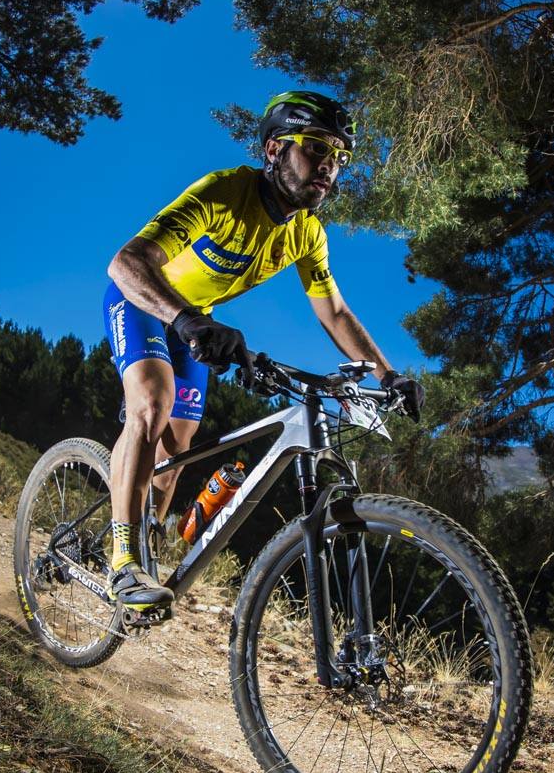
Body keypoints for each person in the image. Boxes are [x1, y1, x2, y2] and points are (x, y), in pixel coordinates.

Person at [103, 90, 425, 608]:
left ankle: (148, 534)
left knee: (177, 449)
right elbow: (126, 263)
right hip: (144, 300)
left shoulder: (306, 234)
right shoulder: (224, 192)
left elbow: (335, 314)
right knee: (152, 403)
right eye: (317, 148)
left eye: (340, 157)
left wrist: (389, 375)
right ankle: (122, 561)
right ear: (274, 149)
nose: (330, 166)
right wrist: (184, 319)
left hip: (195, 321)